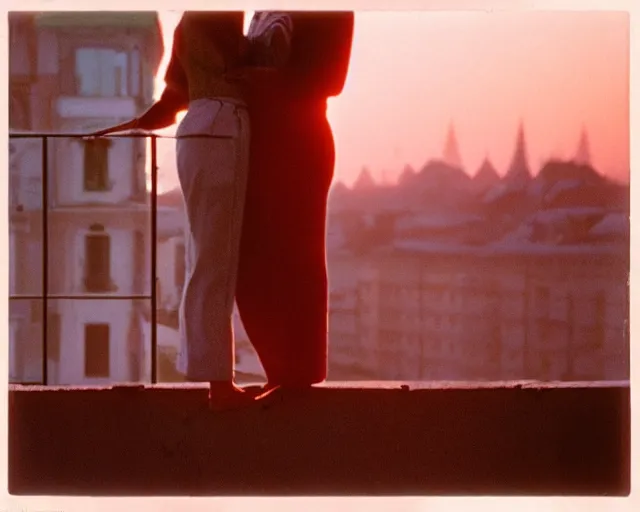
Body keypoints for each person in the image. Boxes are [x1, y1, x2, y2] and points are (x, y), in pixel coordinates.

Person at [88, 12, 255, 411]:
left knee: (204, 257)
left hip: (194, 128)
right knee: (218, 260)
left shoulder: (186, 23)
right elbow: (240, 70)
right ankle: (220, 386)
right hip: (223, 124)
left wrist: (132, 123)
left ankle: (207, 373)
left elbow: (173, 98)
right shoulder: (222, 15)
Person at [235, 11, 355, 393]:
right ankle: (281, 373)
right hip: (262, 142)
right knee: (254, 256)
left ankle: (297, 377)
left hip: (299, 140)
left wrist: (258, 82)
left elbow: (330, 79)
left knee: (296, 260)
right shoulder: (263, 9)